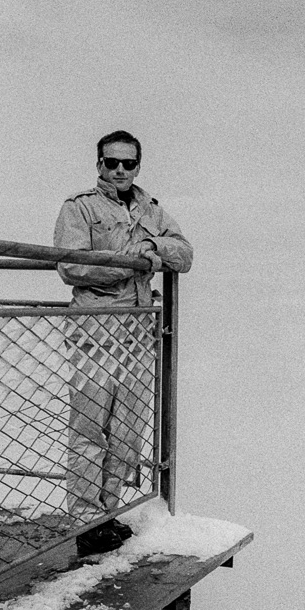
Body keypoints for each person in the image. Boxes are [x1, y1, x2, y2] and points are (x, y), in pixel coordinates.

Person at [54, 130, 193, 554]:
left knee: (127, 429)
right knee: (90, 425)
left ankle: (107, 514)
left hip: (137, 330)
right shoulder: (79, 207)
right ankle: (84, 521)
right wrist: (134, 264)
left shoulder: (151, 209)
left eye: (127, 164)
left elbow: (184, 254)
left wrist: (151, 244)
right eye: (111, 163)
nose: (119, 170)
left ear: (137, 166)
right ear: (98, 165)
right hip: (96, 326)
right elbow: (72, 266)